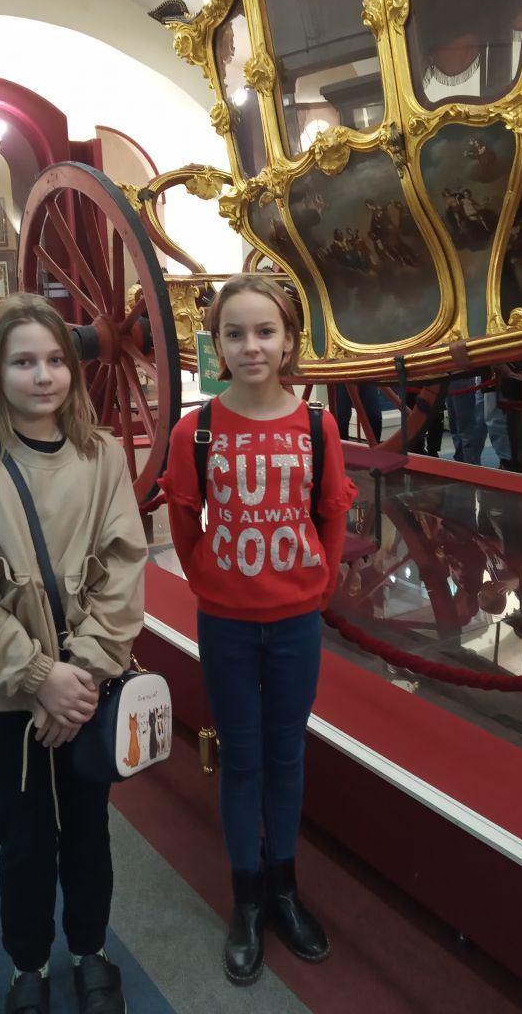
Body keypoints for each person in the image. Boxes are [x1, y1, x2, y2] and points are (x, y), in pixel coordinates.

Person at [0, 293, 146, 1014]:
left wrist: (79, 675)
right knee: (22, 837)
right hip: (5, 694)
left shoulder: (103, 456)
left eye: (55, 360)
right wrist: (37, 676)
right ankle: (28, 964)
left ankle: (90, 949)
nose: (43, 375)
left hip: (86, 687)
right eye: (23, 362)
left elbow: (123, 566)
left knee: (87, 827)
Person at [160, 274, 356, 986]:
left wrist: (316, 584)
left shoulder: (316, 426)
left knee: (286, 755)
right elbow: (184, 518)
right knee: (241, 759)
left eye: (265, 332)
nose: (251, 346)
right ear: (216, 345)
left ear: (288, 341)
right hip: (228, 625)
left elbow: (331, 511)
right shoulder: (196, 430)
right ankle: (246, 898)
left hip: (295, 621)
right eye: (235, 334)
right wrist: (209, 577)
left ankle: (284, 889)